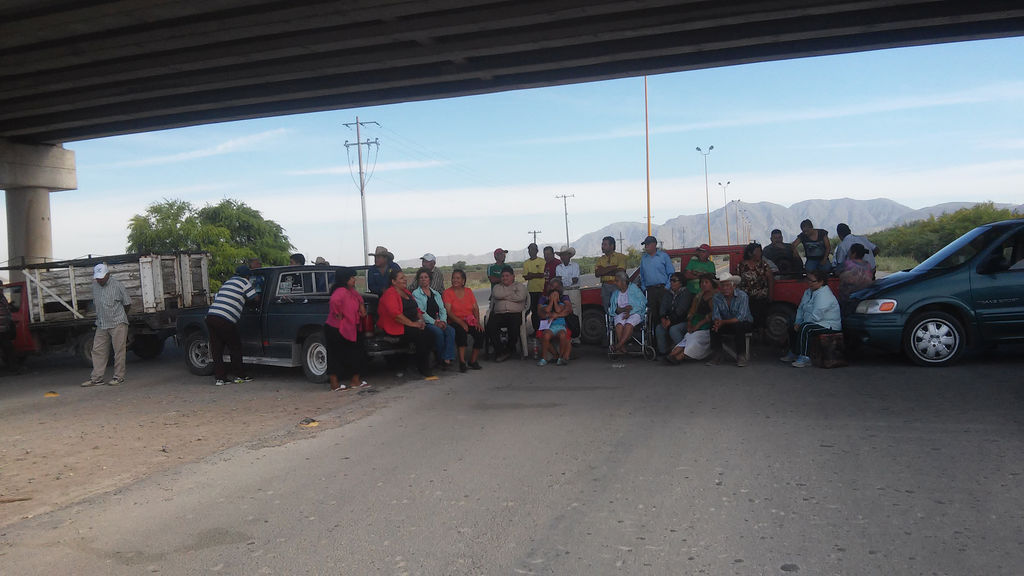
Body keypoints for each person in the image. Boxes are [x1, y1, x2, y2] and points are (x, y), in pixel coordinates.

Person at [203, 265, 257, 387]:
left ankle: (220, 379)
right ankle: (240, 376)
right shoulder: (244, 282)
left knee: (217, 349)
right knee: (235, 347)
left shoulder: (228, 282)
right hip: (225, 319)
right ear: (247, 276)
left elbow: (219, 297)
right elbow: (255, 298)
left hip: (211, 316)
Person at [80, 263, 132, 387]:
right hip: (101, 323)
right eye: (97, 278)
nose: (99, 280)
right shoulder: (95, 285)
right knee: (97, 350)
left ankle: (118, 377)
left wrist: (120, 316)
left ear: (108, 274)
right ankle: (97, 378)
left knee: (119, 351)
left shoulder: (117, 285)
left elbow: (127, 303)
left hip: (117, 322)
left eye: (101, 277)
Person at [378, 269, 433, 377]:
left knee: (430, 334)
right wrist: (413, 324)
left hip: (411, 324)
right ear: (393, 281)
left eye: (405, 277)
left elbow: (416, 309)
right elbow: (396, 315)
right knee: (421, 335)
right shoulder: (390, 294)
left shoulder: (406, 292)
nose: (405, 279)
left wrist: (420, 320)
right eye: (401, 278)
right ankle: (423, 367)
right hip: (397, 326)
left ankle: (418, 362)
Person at [780, 269, 842, 368]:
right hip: (813, 321)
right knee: (792, 325)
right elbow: (801, 308)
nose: (809, 283)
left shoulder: (824, 295)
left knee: (805, 328)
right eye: (808, 280)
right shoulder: (808, 292)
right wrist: (797, 322)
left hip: (827, 324)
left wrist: (801, 324)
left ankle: (805, 357)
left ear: (821, 282)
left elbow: (817, 316)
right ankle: (794, 352)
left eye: (812, 281)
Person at [324, 267, 368, 391]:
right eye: (352, 277)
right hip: (337, 328)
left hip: (348, 327)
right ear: (345, 279)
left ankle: (353, 381)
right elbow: (334, 301)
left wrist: (361, 306)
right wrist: (338, 313)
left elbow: (359, 300)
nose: (354, 279)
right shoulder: (341, 291)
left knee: (353, 353)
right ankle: (336, 384)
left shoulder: (351, 291)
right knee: (336, 355)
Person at [412, 267, 456, 370]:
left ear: (430, 279)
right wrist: (435, 322)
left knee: (451, 330)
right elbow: (422, 312)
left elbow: (442, 309)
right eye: (421, 277)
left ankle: (447, 357)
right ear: (418, 280)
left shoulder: (436, 293)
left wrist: (443, 321)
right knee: (438, 333)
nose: (423, 279)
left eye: (426, 277)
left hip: (439, 321)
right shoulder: (416, 294)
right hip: (426, 323)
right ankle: (440, 358)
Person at [666, 274, 716, 363]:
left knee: (694, 339)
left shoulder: (716, 297)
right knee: (688, 337)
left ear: (712, 284)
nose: (703, 284)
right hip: (695, 323)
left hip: (707, 326)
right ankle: (671, 355)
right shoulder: (699, 296)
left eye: (706, 282)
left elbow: (713, 314)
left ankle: (679, 357)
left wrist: (699, 325)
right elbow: (692, 312)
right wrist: (689, 322)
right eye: (702, 282)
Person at [443, 269, 484, 372]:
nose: (455, 280)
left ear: (463, 281)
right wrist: (461, 322)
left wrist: (477, 322)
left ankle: (473, 360)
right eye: (453, 278)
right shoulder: (447, 292)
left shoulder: (468, 291)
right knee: (461, 332)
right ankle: (462, 362)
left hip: (469, 320)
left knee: (480, 332)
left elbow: (475, 308)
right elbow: (449, 312)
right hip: (454, 321)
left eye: (458, 278)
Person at [709, 274, 754, 367]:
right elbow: (716, 314)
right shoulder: (716, 297)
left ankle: (741, 355)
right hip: (726, 322)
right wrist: (717, 323)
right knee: (713, 326)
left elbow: (740, 317)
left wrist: (722, 322)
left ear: (734, 286)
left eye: (728, 285)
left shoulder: (742, 296)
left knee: (739, 326)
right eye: (722, 286)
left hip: (743, 323)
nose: (725, 288)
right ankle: (717, 354)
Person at [486, 266, 528, 362]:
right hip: (499, 313)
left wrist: (504, 296)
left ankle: (509, 349)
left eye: (507, 276)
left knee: (514, 327)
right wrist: (512, 293)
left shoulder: (520, 286)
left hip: (515, 313)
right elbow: (497, 295)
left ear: (513, 276)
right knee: (490, 326)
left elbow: (520, 297)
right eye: (503, 276)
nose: (505, 278)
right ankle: (501, 350)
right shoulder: (497, 287)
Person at [736, 242, 774, 333]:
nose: (759, 253)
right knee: (747, 320)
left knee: (761, 321)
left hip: (761, 298)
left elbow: (770, 280)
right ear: (750, 253)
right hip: (746, 299)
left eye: (760, 251)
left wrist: (770, 295)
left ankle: (761, 337)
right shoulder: (741, 266)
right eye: (757, 251)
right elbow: (737, 281)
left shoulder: (764, 265)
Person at [535, 277, 573, 366]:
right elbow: (540, 312)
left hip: (561, 325)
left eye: (557, 287)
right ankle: (553, 354)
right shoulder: (543, 299)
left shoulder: (564, 298)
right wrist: (551, 304)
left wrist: (555, 315)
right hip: (547, 325)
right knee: (543, 335)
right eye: (552, 286)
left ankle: (562, 356)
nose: (554, 289)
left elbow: (568, 310)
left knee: (564, 335)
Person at [609, 270, 647, 354]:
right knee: (619, 325)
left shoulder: (634, 289)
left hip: (635, 312)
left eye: (617, 281)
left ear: (623, 282)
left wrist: (630, 311)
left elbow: (642, 303)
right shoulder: (615, 293)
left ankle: (618, 346)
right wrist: (623, 310)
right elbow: (613, 309)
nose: (615, 283)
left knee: (628, 324)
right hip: (621, 313)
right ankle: (622, 347)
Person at [655, 272, 692, 357]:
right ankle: (663, 352)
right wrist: (663, 318)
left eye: (674, 280)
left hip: (683, 321)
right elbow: (663, 307)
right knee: (659, 328)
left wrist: (670, 320)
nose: (671, 282)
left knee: (674, 329)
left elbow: (681, 310)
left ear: (681, 282)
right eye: (671, 280)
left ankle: (683, 351)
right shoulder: (668, 293)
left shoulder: (686, 293)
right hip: (670, 320)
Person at [594, 236, 627, 312]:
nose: (602, 247)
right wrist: (613, 267)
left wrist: (604, 270)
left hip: (618, 286)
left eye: (605, 244)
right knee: (607, 309)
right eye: (602, 244)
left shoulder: (621, 257)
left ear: (612, 246)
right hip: (605, 287)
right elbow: (597, 273)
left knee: (619, 308)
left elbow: (621, 272)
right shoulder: (600, 259)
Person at [837, 243, 874, 309]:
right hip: (864, 296)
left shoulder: (846, 263)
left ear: (854, 253)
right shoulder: (868, 265)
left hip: (847, 297)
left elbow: (836, 272)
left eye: (850, 252)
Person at [0, 280, 23, 373]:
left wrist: (10, 307)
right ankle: (14, 368)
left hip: (4, 329)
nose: (1, 289)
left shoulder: (2, 297)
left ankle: (14, 368)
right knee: (8, 349)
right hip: (2, 329)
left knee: (8, 349)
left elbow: (5, 309)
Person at [523, 243, 546, 332]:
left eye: (533, 249)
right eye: (529, 250)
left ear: (537, 251)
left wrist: (531, 275)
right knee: (534, 312)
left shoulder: (542, 261)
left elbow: (542, 275)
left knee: (543, 311)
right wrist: (537, 275)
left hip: (542, 289)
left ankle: (544, 330)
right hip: (531, 291)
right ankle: (536, 330)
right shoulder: (526, 263)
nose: (531, 251)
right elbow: (526, 277)